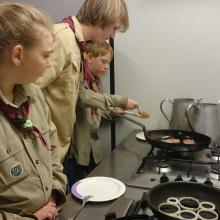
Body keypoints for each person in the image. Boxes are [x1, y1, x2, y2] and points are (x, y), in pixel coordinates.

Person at [34, 0, 139, 183]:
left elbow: (78, 95)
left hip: (59, 151)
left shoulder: (77, 45)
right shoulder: (61, 38)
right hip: (44, 152)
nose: (113, 36)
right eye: (114, 28)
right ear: (100, 18)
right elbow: (27, 91)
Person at [0, 3, 66, 219]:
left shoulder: (34, 96)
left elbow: (52, 151)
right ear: (18, 55)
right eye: (46, 56)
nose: (49, 63)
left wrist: (54, 194)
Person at [67, 42, 130, 186]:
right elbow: (84, 99)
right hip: (77, 153)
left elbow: (97, 114)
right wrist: (119, 101)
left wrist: (115, 112)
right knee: (78, 190)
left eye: (108, 63)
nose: (107, 67)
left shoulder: (96, 83)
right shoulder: (78, 81)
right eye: (104, 62)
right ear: (89, 57)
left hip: (93, 151)